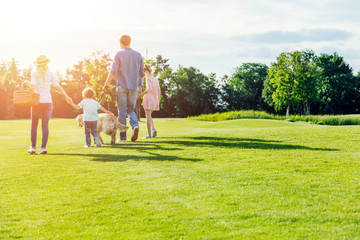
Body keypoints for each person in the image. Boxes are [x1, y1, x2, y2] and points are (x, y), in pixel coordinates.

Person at [24, 55, 72, 154]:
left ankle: (33, 148)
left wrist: (28, 83)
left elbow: (32, 87)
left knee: (34, 125)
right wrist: (67, 96)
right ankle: (43, 148)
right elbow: (58, 86)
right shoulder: (50, 74)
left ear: (37, 64)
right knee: (45, 126)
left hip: (37, 102)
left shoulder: (34, 73)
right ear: (46, 64)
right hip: (48, 102)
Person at [103, 34, 144, 142]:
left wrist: (106, 83)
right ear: (130, 42)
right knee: (131, 109)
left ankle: (123, 137)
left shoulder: (119, 54)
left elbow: (113, 71)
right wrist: (140, 87)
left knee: (121, 111)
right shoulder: (138, 55)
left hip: (122, 86)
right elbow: (142, 73)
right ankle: (135, 126)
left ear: (121, 43)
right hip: (134, 87)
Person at [138, 64, 161, 139]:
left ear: (146, 71)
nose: (143, 75)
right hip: (154, 99)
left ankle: (149, 135)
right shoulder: (156, 79)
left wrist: (141, 94)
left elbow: (149, 89)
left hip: (149, 98)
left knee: (147, 116)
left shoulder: (148, 78)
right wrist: (158, 101)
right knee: (149, 115)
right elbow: (159, 91)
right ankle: (153, 129)